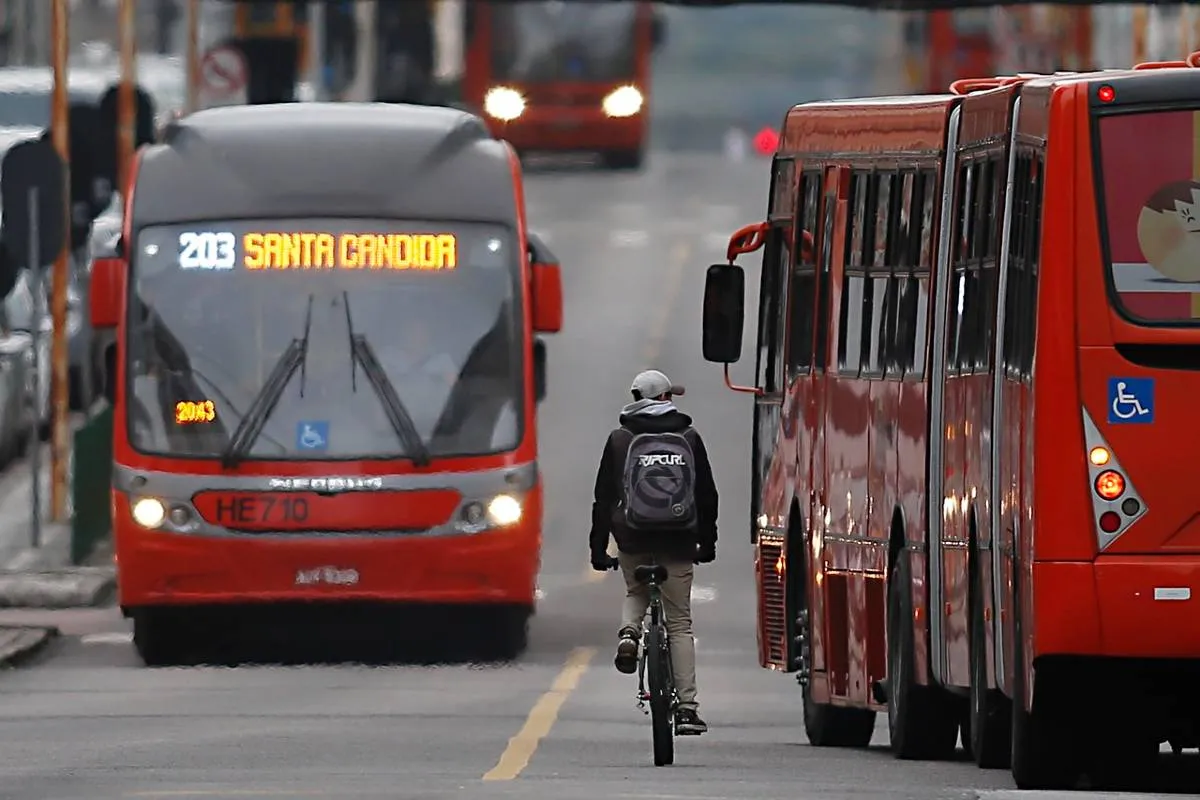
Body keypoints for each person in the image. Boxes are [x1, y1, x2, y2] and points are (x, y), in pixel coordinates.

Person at [589, 369, 719, 735]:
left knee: (636, 591)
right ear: (664, 398)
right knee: (679, 623)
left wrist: (599, 550)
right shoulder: (689, 437)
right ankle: (688, 709)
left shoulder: (619, 439)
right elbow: (707, 497)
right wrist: (706, 543)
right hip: (678, 540)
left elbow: (603, 500)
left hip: (633, 537)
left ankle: (629, 633)